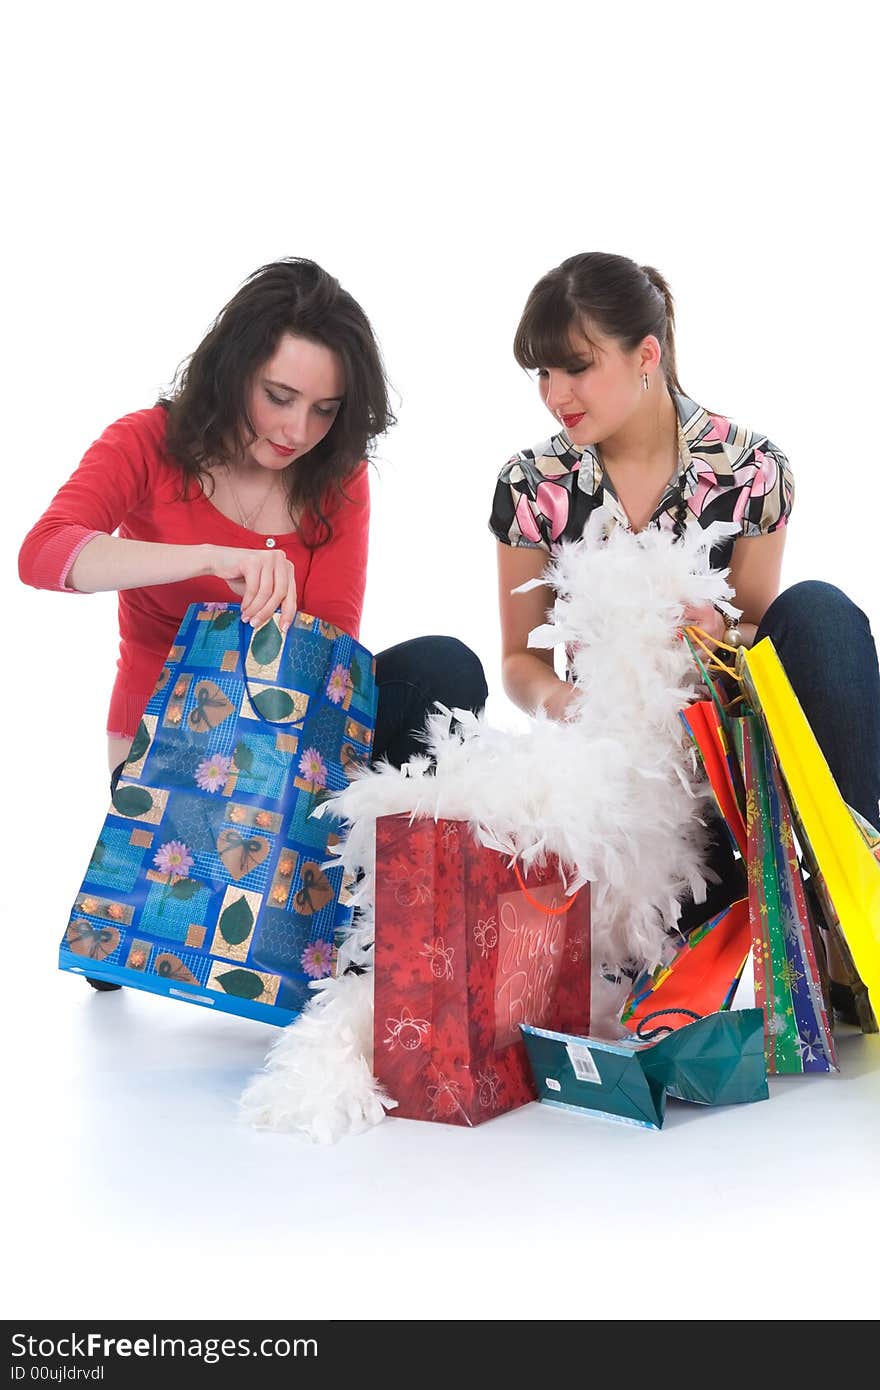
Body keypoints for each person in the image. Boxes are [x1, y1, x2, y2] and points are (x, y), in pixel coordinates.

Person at [20, 257, 487, 987]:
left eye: (325, 409)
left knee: (444, 667)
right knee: (142, 944)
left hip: (290, 742)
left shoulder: (338, 475)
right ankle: (153, 898)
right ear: (233, 371)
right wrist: (205, 557)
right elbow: (43, 553)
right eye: (279, 396)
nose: (299, 429)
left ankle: (376, 915)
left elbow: (333, 656)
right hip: (173, 746)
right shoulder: (148, 442)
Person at [489, 251, 879, 1019]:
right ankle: (767, 920)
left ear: (646, 355)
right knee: (675, 960)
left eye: (575, 367)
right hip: (634, 779)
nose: (555, 395)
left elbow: (774, 629)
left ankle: (857, 892)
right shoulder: (532, 485)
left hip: (739, 753)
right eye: (540, 374)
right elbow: (516, 659)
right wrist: (574, 707)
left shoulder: (750, 467)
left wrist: (722, 630)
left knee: (823, 611)